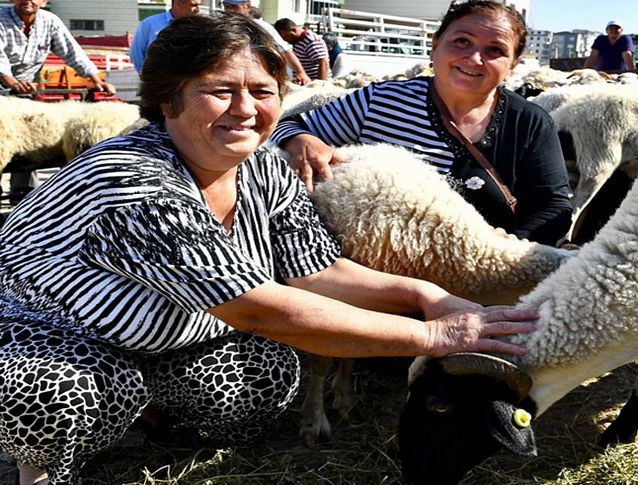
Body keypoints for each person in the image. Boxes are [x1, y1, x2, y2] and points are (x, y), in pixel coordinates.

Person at [0, 13, 538, 485]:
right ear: (168, 98)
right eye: (219, 90)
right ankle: (36, 465)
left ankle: (149, 408)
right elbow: (255, 307)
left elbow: (314, 268)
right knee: (58, 394)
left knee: (269, 381)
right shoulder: (134, 181)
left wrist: (425, 294)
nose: (245, 109)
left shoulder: (260, 166)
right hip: (46, 335)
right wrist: (433, 335)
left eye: (262, 91)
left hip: (168, 335)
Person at [271, 0, 573, 246]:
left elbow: (554, 207)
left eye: (495, 50)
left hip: (483, 284)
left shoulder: (529, 121)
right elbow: (287, 126)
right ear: (435, 45)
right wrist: (303, 141)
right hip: (372, 275)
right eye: (462, 41)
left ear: (513, 65)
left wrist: (507, 246)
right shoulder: (380, 101)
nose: (474, 58)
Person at [0, 0, 116, 203]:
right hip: (6, 87)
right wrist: (10, 81)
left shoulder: (50, 21)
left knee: (28, 144)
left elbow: (72, 51)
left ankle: (23, 199)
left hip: (25, 92)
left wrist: (95, 79)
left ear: (44, 2)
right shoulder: (1, 18)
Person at [221, 0, 310, 86]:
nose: (230, 10)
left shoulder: (260, 27)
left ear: (247, 6)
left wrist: (300, 73)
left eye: (234, 7)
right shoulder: (222, 27)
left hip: (260, 76)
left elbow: (284, 50)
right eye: (226, 7)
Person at [129, 0, 201, 72]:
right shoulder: (150, 24)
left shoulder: (196, 27)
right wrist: (146, 76)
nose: (198, 10)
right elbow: (136, 54)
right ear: (178, 3)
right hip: (156, 80)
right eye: (193, 5)